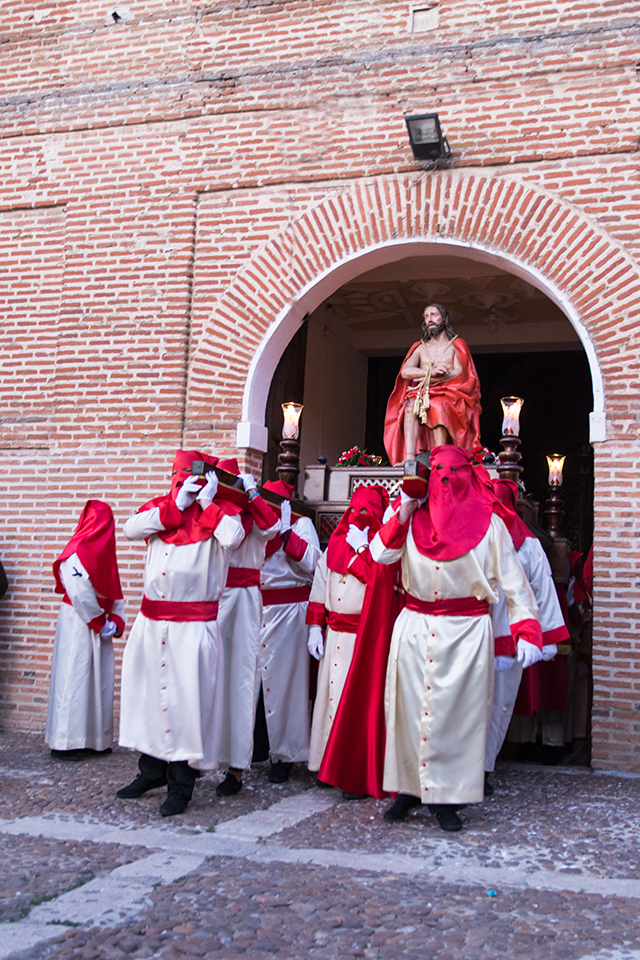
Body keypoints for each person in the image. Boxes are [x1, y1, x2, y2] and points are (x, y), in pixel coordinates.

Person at [369, 446, 543, 831]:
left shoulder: (491, 525)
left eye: (453, 471)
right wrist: (404, 511)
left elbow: (515, 584)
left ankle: (446, 798)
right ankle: (408, 789)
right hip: (415, 627)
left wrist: (527, 630)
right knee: (409, 713)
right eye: (438, 471)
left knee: (455, 718)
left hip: (466, 633)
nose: (445, 479)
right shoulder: (410, 516)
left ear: (468, 476)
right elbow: (379, 554)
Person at [117, 450, 244, 816]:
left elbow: (233, 537)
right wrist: (176, 505)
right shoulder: (162, 510)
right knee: (150, 701)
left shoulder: (221, 514)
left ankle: (180, 786)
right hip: (152, 623)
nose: (181, 480)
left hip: (192, 628)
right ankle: (151, 772)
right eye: (177, 475)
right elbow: (129, 529)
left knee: (186, 707)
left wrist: (207, 505)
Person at [484, 479, 570, 792]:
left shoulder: (528, 543)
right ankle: (467, 769)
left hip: (507, 632)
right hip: (478, 629)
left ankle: (482, 769)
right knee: (475, 703)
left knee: (498, 704)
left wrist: (545, 637)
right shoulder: (475, 533)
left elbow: (542, 589)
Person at [306, 486, 389, 781]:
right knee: (328, 698)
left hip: (363, 637)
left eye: (367, 511)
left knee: (353, 702)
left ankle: (349, 769)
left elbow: (380, 585)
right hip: (333, 636)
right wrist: (315, 627)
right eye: (356, 510)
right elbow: (319, 586)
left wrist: (364, 550)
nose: (360, 516)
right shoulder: (334, 547)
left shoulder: (382, 550)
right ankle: (324, 764)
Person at [215, 459, 280, 797]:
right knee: (206, 676)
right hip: (213, 594)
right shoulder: (213, 511)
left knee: (242, 679)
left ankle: (236, 767)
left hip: (244, 600)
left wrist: (253, 494)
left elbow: (272, 527)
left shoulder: (257, 513)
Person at [46, 500, 125, 762]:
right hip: (78, 622)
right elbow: (79, 593)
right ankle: (64, 742)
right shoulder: (75, 552)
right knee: (74, 677)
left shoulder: (107, 554)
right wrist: (100, 622)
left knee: (98, 681)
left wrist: (116, 620)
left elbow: (114, 589)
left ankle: (94, 740)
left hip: (99, 624)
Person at [257, 480, 321, 783]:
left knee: (285, 686)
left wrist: (286, 535)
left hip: (290, 610)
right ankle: (257, 748)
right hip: (257, 608)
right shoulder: (255, 523)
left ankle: (286, 754)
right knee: (255, 684)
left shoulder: (301, 524)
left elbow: (314, 563)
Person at [383, 303, 481, 464]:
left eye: (434, 315)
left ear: (444, 318)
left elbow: (460, 372)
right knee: (409, 406)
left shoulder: (456, 344)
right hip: (421, 392)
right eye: (426, 316)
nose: (430, 319)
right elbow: (405, 372)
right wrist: (431, 372)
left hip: (450, 392)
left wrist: (434, 378)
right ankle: (409, 457)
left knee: (438, 405)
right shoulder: (420, 347)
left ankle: (440, 454)